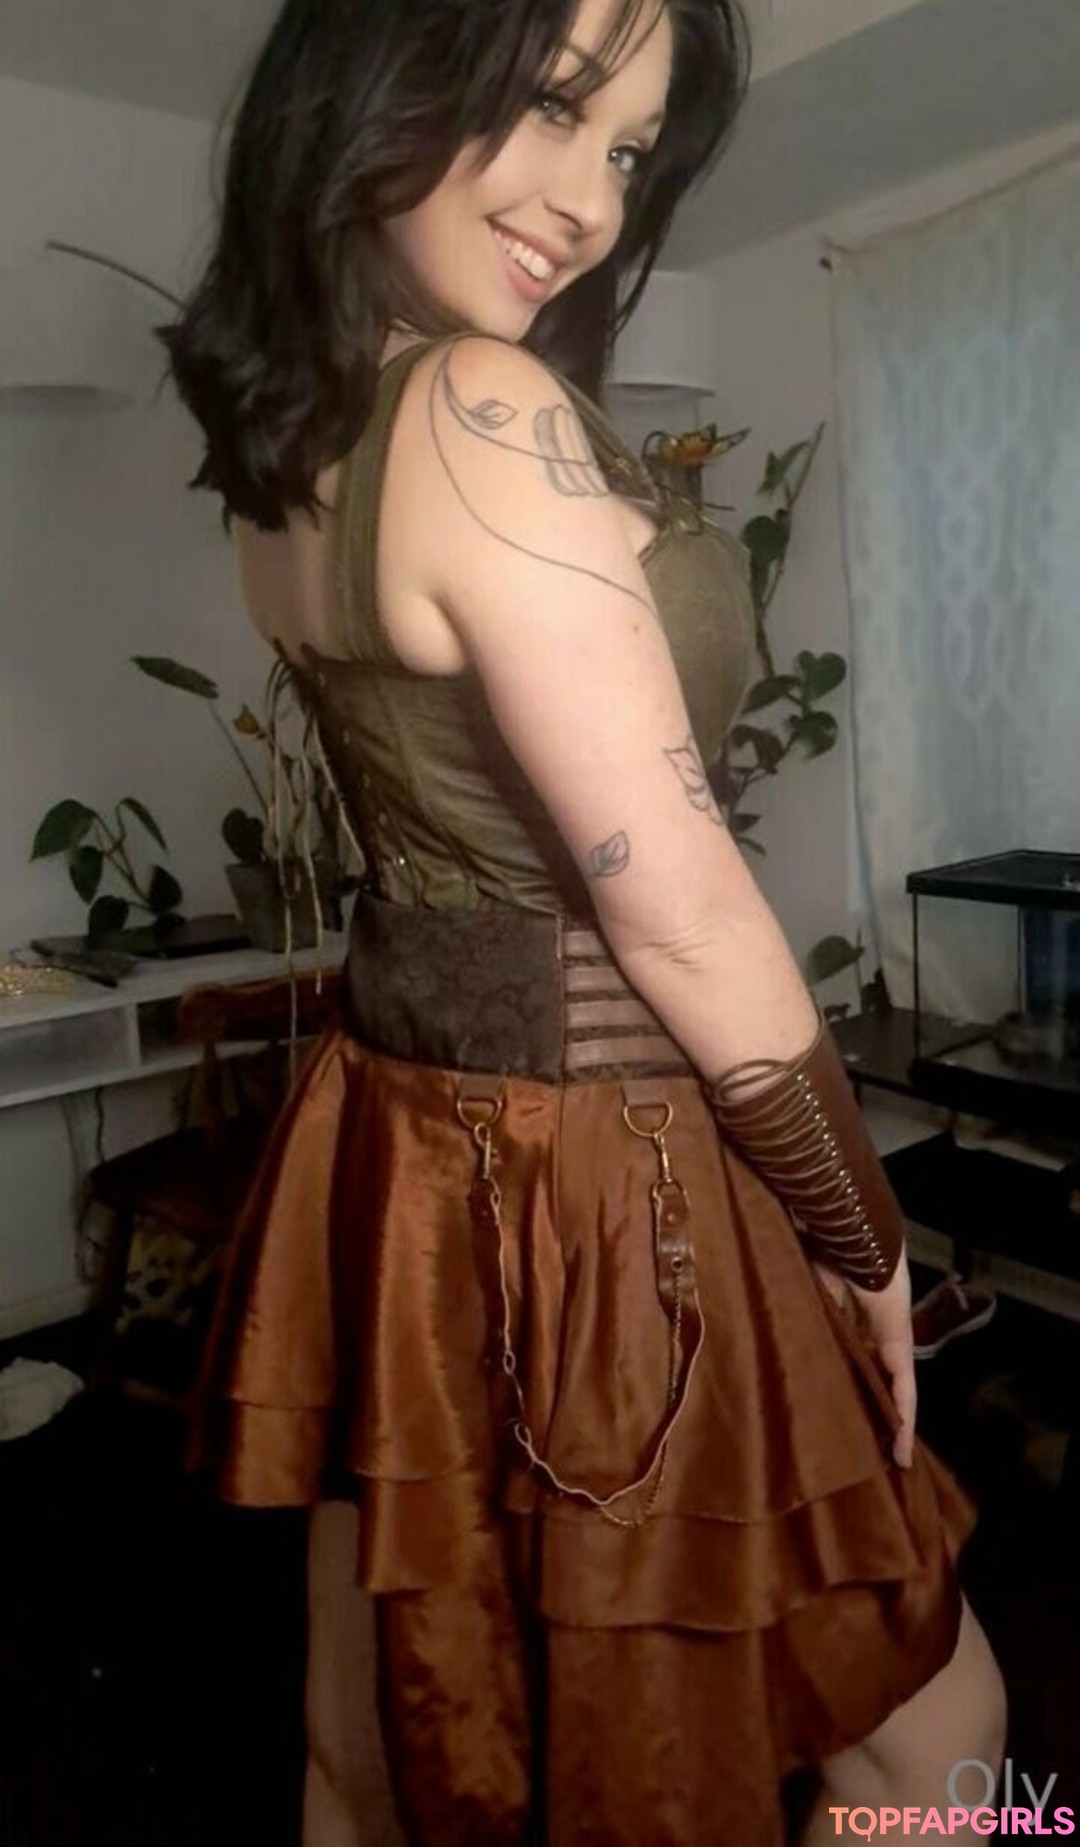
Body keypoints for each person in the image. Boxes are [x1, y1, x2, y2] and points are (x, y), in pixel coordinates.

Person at [166, 0, 1006, 1839]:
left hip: (410, 1137)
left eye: (626, 149)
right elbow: (682, 916)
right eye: (551, 106)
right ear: (378, 75)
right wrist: (863, 1238)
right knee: (938, 1734)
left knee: (385, 1726)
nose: (594, 202)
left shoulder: (300, 447)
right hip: (600, 1170)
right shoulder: (479, 407)